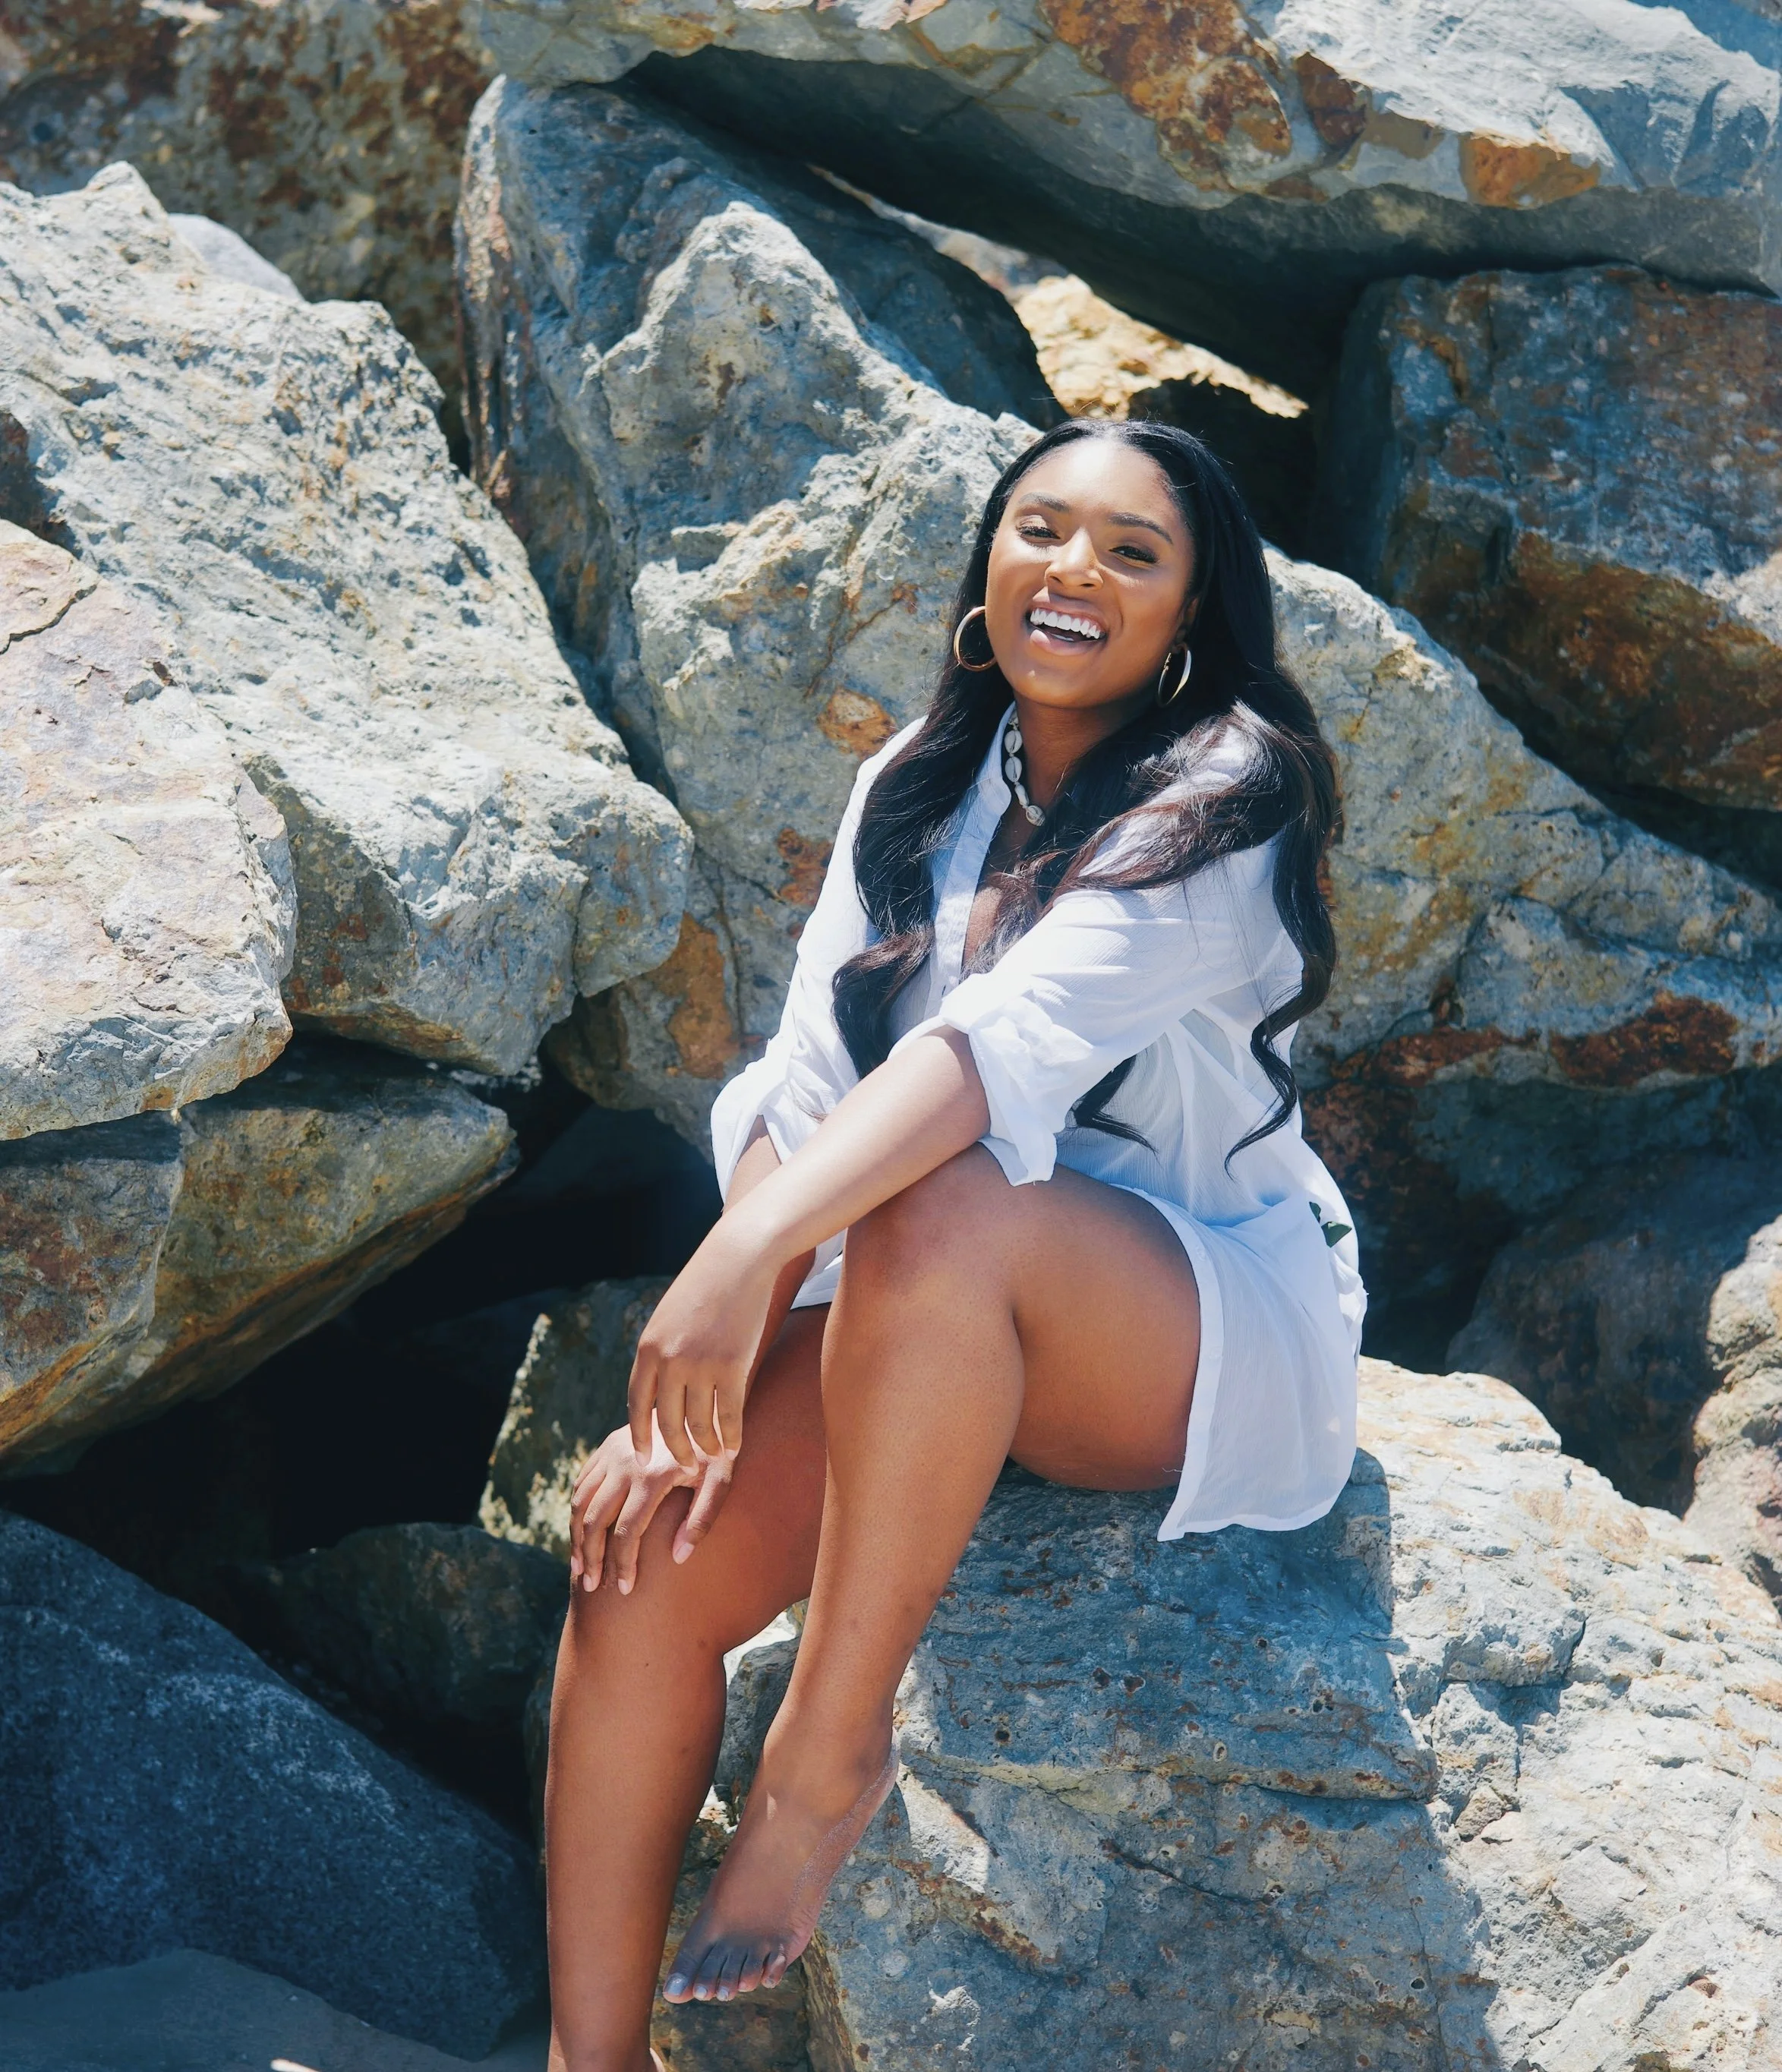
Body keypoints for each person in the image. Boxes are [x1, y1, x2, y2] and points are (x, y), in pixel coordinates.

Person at [544, 419, 1365, 2072]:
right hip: (922, 1309)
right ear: (989, 564)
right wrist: (699, 1371)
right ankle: (588, 2053)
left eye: (1134, 550)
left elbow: (999, 1049)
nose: (1075, 569)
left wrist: (739, 1261)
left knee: (946, 1192)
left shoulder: (1233, 793)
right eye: (1041, 529)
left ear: (1195, 610)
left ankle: (824, 1752)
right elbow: (811, 1079)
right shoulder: (924, 772)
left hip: (1184, 1327)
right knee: (640, 1553)